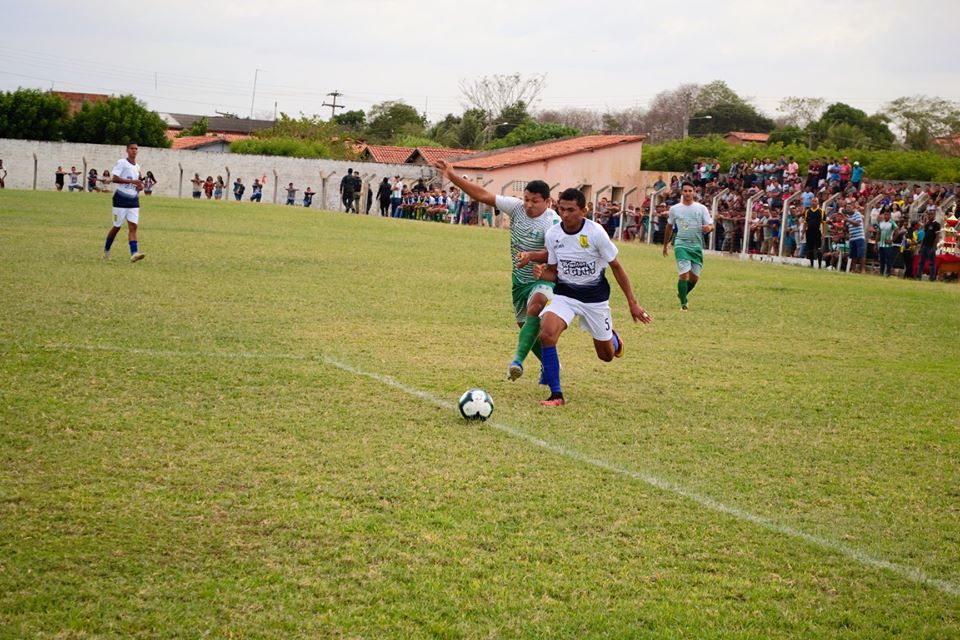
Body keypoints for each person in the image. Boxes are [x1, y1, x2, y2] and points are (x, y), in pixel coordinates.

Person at [434, 158, 560, 383]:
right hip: (519, 281)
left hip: (544, 278)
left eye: (535, 201)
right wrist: (452, 176)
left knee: (538, 303)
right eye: (526, 199)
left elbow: (558, 252)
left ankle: (516, 363)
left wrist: (536, 259)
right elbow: (482, 195)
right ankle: (549, 365)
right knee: (527, 330)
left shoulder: (553, 222)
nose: (529, 205)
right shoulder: (516, 208)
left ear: (548, 202)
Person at [531, 187, 652, 407]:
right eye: (561, 209)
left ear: (584, 210)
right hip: (565, 295)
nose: (565, 215)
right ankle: (556, 395)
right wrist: (542, 272)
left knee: (606, 356)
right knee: (547, 334)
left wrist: (633, 303)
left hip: (595, 300)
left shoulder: (595, 233)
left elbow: (616, 267)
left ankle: (613, 339)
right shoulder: (553, 234)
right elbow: (554, 273)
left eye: (571, 210)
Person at [663, 181, 714, 311]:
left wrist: (708, 228)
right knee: (684, 275)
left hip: (696, 245)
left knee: (694, 278)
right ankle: (683, 304)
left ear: (694, 192)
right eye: (685, 191)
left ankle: (682, 294)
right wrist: (665, 245)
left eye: (690, 191)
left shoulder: (701, 208)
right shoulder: (674, 209)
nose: (687, 193)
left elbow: (711, 225)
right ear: (681, 192)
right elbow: (669, 226)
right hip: (681, 244)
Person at [101, 142, 145, 263]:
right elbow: (115, 179)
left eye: (136, 149)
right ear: (127, 150)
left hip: (133, 200)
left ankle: (134, 253)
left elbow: (137, 183)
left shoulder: (137, 166)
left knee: (133, 227)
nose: (134, 151)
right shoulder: (122, 163)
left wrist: (139, 186)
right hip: (120, 199)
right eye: (132, 148)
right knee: (117, 227)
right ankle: (106, 251)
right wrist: (133, 182)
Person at [917, 209, 941, 281]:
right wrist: (921, 247)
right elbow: (924, 236)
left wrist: (934, 247)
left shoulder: (936, 224)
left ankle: (932, 277)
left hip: (931, 246)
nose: (930, 216)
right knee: (921, 262)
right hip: (925, 246)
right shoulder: (927, 224)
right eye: (929, 214)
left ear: (934, 215)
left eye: (931, 214)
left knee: (932, 263)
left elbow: (937, 236)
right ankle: (918, 276)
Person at [804, 197, 826, 269]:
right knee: (810, 249)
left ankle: (819, 266)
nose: (814, 203)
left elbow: (823, 223)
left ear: (818, 202)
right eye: (812, 201)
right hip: (809, 232)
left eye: (815, 201)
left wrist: (823, 234)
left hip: (818, 232)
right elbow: (805, 222)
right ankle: (811, 264)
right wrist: (803, 232)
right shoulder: (807, 211)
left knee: (818, 249)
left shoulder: (821, 211)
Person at [846, 206, 866, 274]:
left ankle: (863, 270)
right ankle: (853, 269)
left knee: (861, 254)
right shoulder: (848, 216)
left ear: (853, 208)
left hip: (859, 237)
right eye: (847, 208)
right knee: (853, 255)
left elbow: (857, 223)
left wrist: (848, 220)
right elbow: (847, 228)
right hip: (852, 238)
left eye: (849, 207)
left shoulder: (857, 214)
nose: (848, 209)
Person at [876, 210, 896, 277]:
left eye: (887, 215)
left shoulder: (892, 223)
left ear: (890, 216)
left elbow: (898, 232)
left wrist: (892, 240)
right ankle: (881, 272)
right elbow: (878, 233)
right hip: (881, 244)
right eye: (885, 215)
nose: (886, 216)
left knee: (888, 259)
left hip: (888, 245)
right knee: (882, 259)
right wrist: (876, 243)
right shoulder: (881, 223)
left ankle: (888, 272)